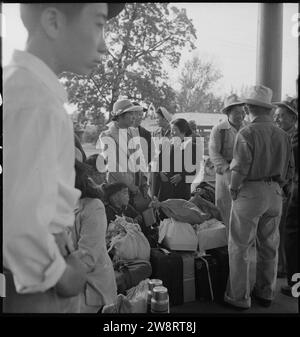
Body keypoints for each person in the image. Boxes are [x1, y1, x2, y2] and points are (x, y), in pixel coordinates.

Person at [3, 3, 124, 313]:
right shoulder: (36, 100)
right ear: (54, 22)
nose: (104, 45)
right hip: (42, 285)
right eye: (98, 24)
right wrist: (63, 274)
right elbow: (19, 222)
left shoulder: (28, 90)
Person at [224, 85, 295, 310]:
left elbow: (240, 166)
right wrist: (280, 187)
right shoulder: (283, 135)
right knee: (269, 246)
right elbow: (290, 169)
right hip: (275, 192)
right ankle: (266, 293)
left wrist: (233, 189)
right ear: (268, 109)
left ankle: (239, 297)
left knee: (240, 246)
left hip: (250, 192)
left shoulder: (247, 132)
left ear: (248, 108)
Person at [69, 159, 117, 313]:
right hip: (72, 279)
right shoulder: (58, 207)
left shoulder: (92, 207)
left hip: (92, 286)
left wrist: (54, 274)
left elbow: (87, 257)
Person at [208, 94, 246, 233]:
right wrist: (227, 169)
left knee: (242, 207)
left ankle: (240, 239)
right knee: (224, 207)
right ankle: (225, 243)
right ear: (228, 113)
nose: (241, 116)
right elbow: (213, 152)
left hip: (243, 173)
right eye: (237, 112)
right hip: (225, 172)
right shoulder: (219, 129)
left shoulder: (247, 128)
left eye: (243, 112)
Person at [273, 98, 298, 278]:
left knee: (286, 230)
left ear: (293, 118)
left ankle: (284, 267)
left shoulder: (293, 138)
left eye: (281, 116)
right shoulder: (282, 136)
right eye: (276, 116)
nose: (278, 119)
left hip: (289, 189)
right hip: (285, 188)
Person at [155, 118, 197, 201]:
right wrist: (160, 173)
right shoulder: (167, 144)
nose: (172, 132)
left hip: (181, 190)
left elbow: (194, 168)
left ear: (183, 131)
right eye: (171, 130)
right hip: (165, 189)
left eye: (175, 130)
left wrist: (182, 176)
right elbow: (158, 163)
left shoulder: (191, 146)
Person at [151, 107, 173, 198]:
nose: (156, 120)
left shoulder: (173, 132)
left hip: (170, 169)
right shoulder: (155, 133)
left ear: (164, 118)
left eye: (158, 118)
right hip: (156, 169)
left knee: (167, 195)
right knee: (155, 195)